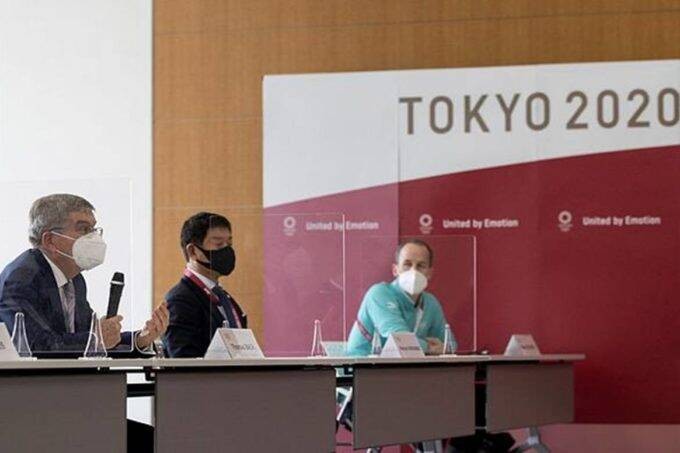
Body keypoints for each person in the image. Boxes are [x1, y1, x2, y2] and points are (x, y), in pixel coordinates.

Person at [0, 194, 168, 356]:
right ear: (50, 240)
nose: (93, 237)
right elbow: (34, 347)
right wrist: (97, 338)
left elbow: (88, 340)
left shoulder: (75, 279)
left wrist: (140, 339)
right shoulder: (21, 279)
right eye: (84, 229)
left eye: (93, 229)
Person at [346, 238, 456, 356]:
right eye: (407, 264)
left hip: (404, 365)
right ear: (395, 270)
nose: (413, 271)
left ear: (429, 273)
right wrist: (428, 346)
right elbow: (401, 340)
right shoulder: (379, 294)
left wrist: (441, 347)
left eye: (420, 266)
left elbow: (450, 344)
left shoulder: (430, 302)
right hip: (363, 364)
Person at [163, 212, 247, 358]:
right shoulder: (180, 300)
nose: (227, 250)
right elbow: (182, 360)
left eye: (229, 244)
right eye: (218, 244)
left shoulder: (222, 296)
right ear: (193, 251)